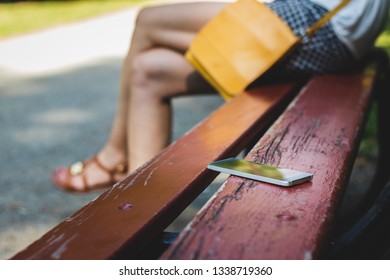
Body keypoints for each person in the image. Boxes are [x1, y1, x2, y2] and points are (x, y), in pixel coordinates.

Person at [52, 0, 389, 192]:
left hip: (319, 22)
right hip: (332, 33)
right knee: (149, 70)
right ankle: (139, 195)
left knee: (149, 20)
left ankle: (112, 158)